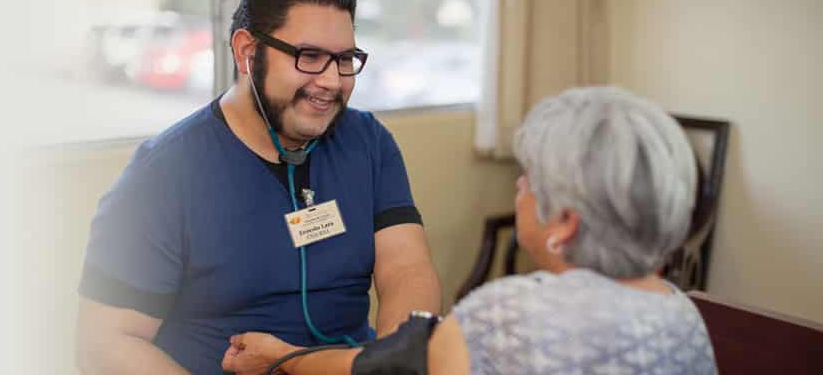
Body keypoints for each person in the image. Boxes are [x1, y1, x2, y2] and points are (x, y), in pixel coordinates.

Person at [74, 0, 442, 374]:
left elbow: (407, 268)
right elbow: (105, 344)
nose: (332, 81)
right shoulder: (162, 174)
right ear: (248, 51)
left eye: (344, 59)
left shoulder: (369, 143)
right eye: (310, 56)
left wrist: (390, 362)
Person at [220, 86, 719, 375]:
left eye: (531, 178)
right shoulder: (685, 315)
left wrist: (281, 357)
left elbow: (382, 370)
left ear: (565, 223)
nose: (520, 185)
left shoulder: (509, 317)